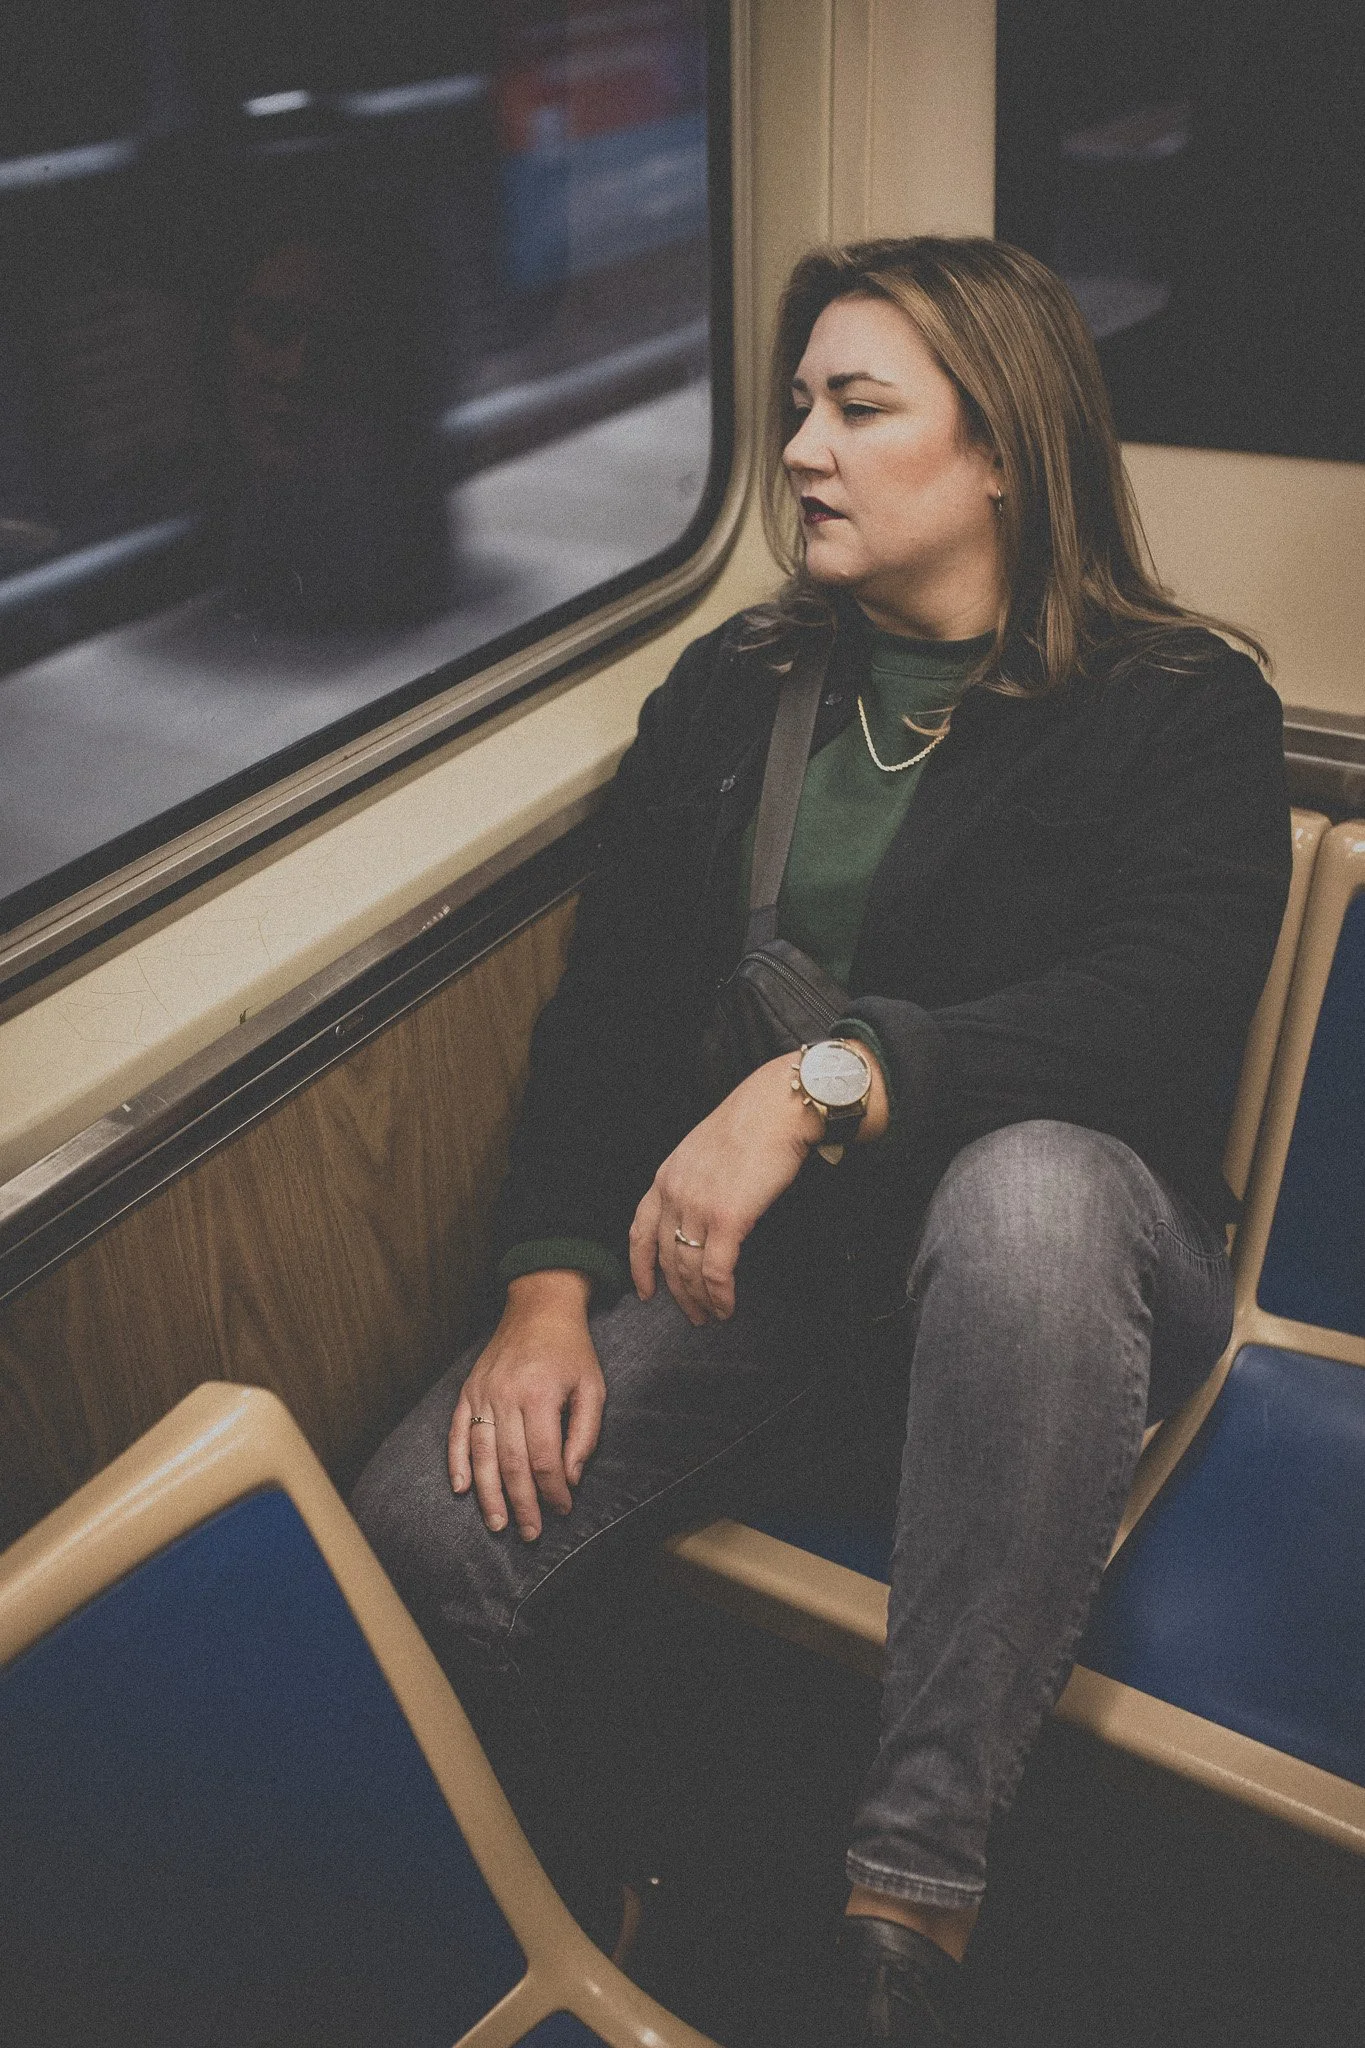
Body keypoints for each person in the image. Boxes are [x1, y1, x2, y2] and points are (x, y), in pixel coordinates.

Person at [353, 237, 1291, 2047]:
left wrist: (828, 1080)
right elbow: (611, 1017)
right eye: (797, 408)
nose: (799, 450)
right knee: (431, 1534)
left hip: (1076, 1266)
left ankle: (907, 1917)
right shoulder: (737, 693)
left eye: (859, 409)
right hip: (801, 1281)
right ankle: (611, 1870)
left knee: (1030, 1196)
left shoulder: (1183, 706)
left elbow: (1155, 1010)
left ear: (1006, 448)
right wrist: (545, 1285)